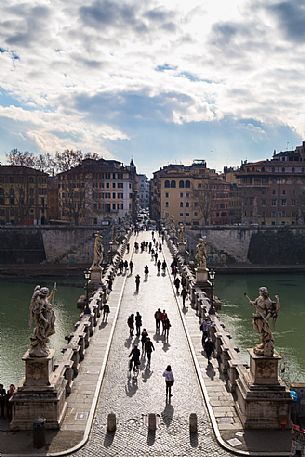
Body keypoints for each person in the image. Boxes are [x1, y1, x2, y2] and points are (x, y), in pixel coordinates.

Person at [247, 287, 280, 356]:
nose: (259, 292)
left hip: (263, 317)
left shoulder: (268, 300)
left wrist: (266, 318)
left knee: (264, 332)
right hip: (257, 316)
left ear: (263, 292)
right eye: (260, 291)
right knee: (260, 331)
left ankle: (265, 344)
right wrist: (252, 303)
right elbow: (255, 303)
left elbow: (270, 311)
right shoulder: (259, 298)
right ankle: (263, 343)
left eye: (260, 291)